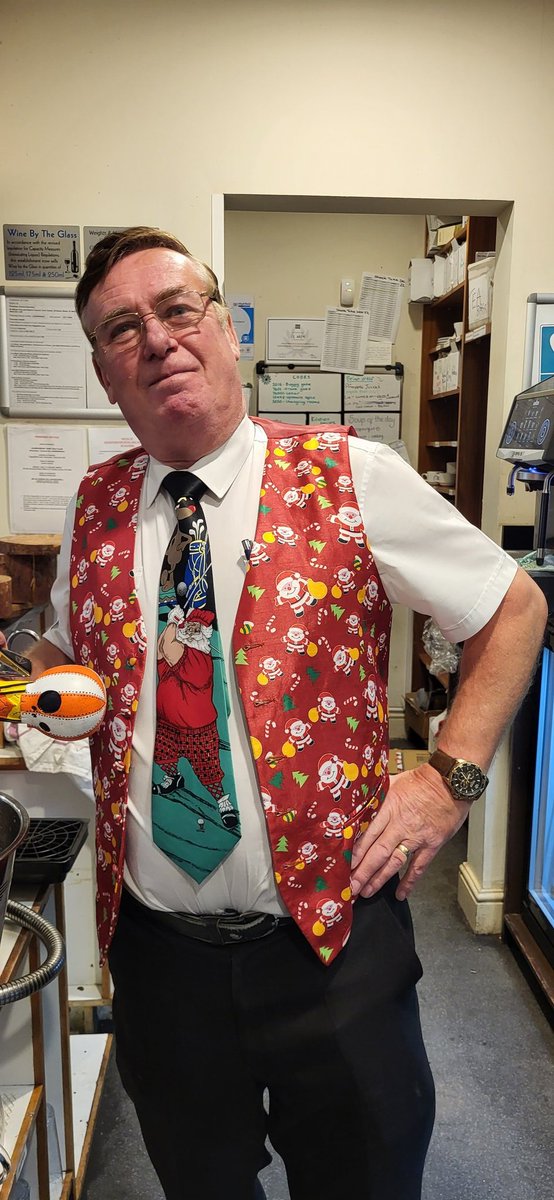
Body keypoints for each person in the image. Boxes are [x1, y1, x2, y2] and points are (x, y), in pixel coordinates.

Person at [11, 227, 546, 1200]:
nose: (158, 339)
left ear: (222, 328)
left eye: (178, 310)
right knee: (200, 1180)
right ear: (103, 371)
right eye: (122, 328)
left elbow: (512, 607)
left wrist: (447, 781)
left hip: (331, 944)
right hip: (159, 955)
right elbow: (78, 669)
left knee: (362, 1177)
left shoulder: (348, 474)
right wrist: (27, 665)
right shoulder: (93, 507)